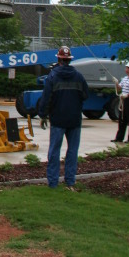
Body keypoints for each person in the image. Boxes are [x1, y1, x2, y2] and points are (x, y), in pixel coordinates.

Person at [37, 45, 89, 190]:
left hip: (58, 119)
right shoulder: (79, 76)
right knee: (72, 152)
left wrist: (43, 115)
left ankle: (53, 183)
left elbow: (46, 98)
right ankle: (70, 182)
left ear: (59, 59)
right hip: (74, 120)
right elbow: (85, 95)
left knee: (54, 150)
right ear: (69, 60)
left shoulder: (52, 76)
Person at [112, 61, 129, 143]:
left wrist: (127, 95)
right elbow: (119, 88)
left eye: (126, 68)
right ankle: (119, 138)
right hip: (124, 100)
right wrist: (116, 83)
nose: (125, 69)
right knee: (122, 119)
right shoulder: (125, 79)